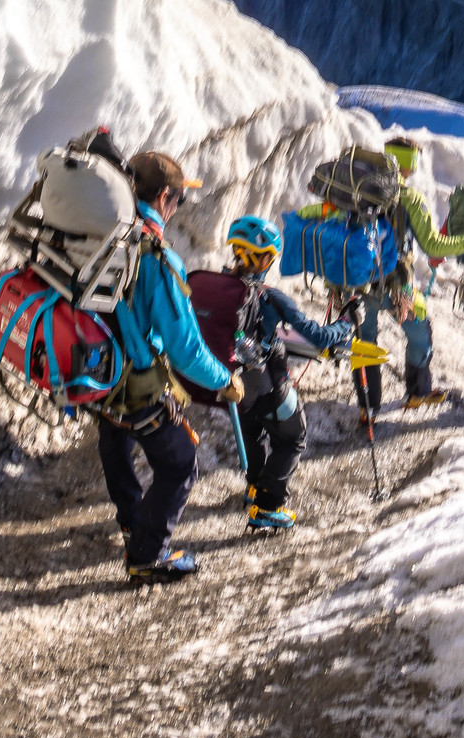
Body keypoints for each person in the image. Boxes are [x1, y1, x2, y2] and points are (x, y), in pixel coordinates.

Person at [100, 149, 243, 584]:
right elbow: (185, 349)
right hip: (136, 380)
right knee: (180, 463)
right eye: (179, 199)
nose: (178, 206)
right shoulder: (155, 257)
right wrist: (224, 380)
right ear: (164, 197)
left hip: (98, 370)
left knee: (115, 437)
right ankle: (148, 555)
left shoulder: (106, 232)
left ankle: (132, 522)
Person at [224, 214, 352, 531]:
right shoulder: (271, 297)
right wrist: (347, 322)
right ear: (265, 258)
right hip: (268, 385)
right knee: (293, 437)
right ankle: (268, 507)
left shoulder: (221, 288)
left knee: (253, 433)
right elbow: (318, 336)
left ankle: (255, 487)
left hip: (232, 386)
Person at [353, 133, 464, 414]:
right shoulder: (408, 198)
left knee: (364, 342)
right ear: (409, 165)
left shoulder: (357, 192)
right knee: (420, 332)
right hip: (398, 284)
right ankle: (417, 392)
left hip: (357, 282)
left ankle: (367, 409)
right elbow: (432, 245)